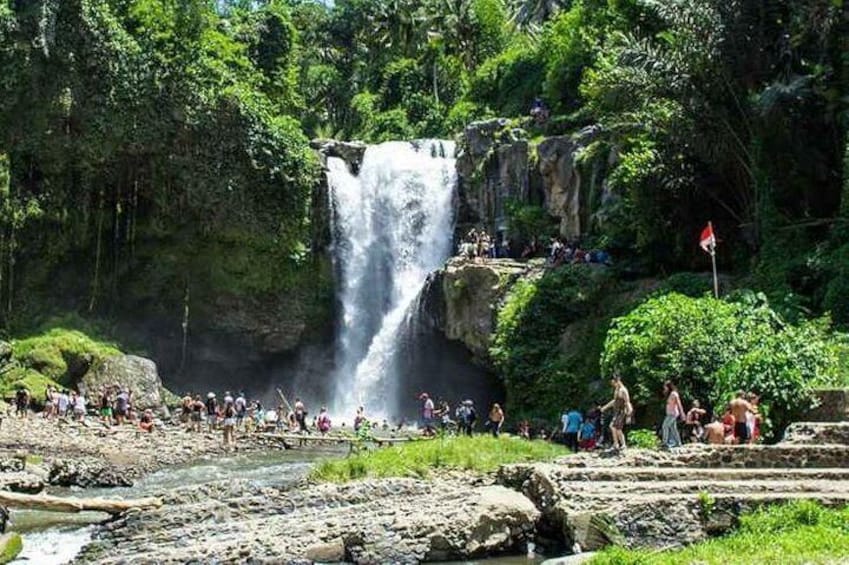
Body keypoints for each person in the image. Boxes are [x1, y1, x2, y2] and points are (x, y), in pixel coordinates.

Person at [601, 375, 631, 451]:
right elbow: (614, 401)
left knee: (616, 428)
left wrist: (629, 414)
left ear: (617, 381)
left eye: (613, 383)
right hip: (617, 412)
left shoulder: (623, 390)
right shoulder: (617, 390)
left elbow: (627, 402)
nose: (613, 385)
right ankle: (617, 444)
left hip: (621, 411)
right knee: (614, 427)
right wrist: (605, 407)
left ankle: (621, 444)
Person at [661, 381, 685, 449]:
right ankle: (678, 443)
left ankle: (664, 443)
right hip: (670, 413)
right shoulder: (669, 394)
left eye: (665, 386)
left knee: (665, 426)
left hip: (673, 414)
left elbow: (679, 404)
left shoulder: (674, 394)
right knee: (673, 429)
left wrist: (682, 414)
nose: (664, 388)